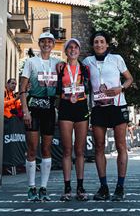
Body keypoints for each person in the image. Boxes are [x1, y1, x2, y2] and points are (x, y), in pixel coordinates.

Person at [83, 31, 134, 201]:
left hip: (118, 105)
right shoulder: (87, 62)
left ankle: (120, 187)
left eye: (102, 41)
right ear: (93, 45)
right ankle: (103, 187)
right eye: (96, 42)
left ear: (107, 44)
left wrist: (121, 88)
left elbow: (129, 79)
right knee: (99, 146)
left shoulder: (116, 59)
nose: (99, 44)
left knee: (121, 146)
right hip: (98, 107)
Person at [19, 32, 61, 201]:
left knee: (46, 149)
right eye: (43, 42)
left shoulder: (58, 63)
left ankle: (43, 187)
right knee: (32, 149)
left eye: (49, 42)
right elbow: (22, 89)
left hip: (49, 111)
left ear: (53, 44)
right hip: (33, 109)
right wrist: (25, 111)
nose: (46, 44)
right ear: (39, 43)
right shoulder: (31, 62)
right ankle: (31, 187)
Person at [56, 38, 91, 201]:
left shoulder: (85, 68)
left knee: (80, 150)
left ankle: (80, 187)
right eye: (70, 47)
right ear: (66, 51)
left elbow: (90, 88)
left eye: (76, 47)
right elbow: (56, 88)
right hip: (66, 107)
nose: (73, 50)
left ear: (79, 50)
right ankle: (67, 187)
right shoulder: (60, 67)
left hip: (81, 107)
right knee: (67, 149)